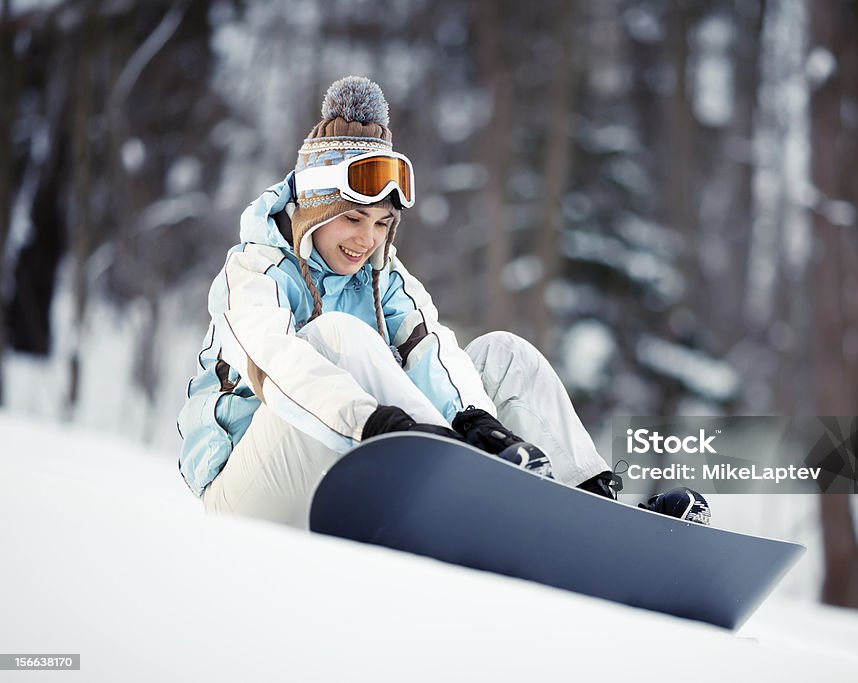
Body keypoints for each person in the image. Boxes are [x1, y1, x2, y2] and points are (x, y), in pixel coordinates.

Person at [177, 76, 618, 529]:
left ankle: (594, 505)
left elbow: (431, 351)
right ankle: (459, 486)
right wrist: (378, 426)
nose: (366, 240)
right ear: (314, 208)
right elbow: (282, 367)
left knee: (504, 355)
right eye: (352, 217)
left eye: (382, 224)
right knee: (335, 337)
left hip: (361, 463)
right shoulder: (254, 274)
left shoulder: (383, 277)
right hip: (246, 495)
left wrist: (474, 419)